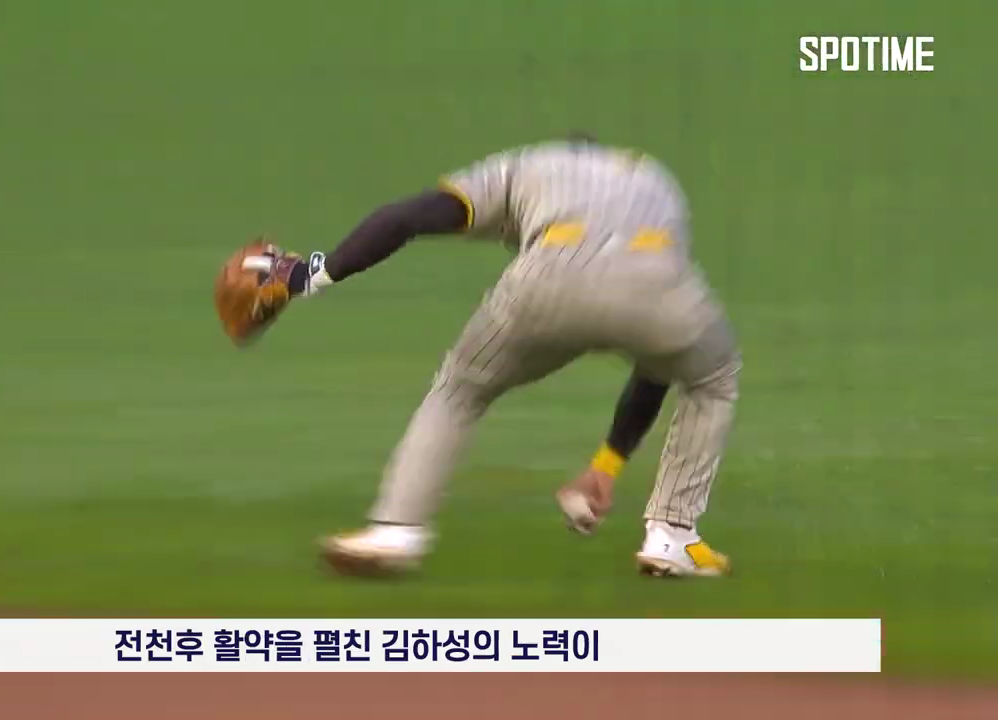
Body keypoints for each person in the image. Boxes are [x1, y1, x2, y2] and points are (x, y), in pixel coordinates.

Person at [217, 133, 741, 578]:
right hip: (659, 289)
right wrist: (607, 465)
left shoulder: (523, 168)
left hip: (548, 281)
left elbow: (406, 218)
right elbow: (658, 363)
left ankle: (397, 531)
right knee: (712, 376)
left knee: (461, 389)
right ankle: (671, 535)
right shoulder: (652, 180)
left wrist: (310, 275)